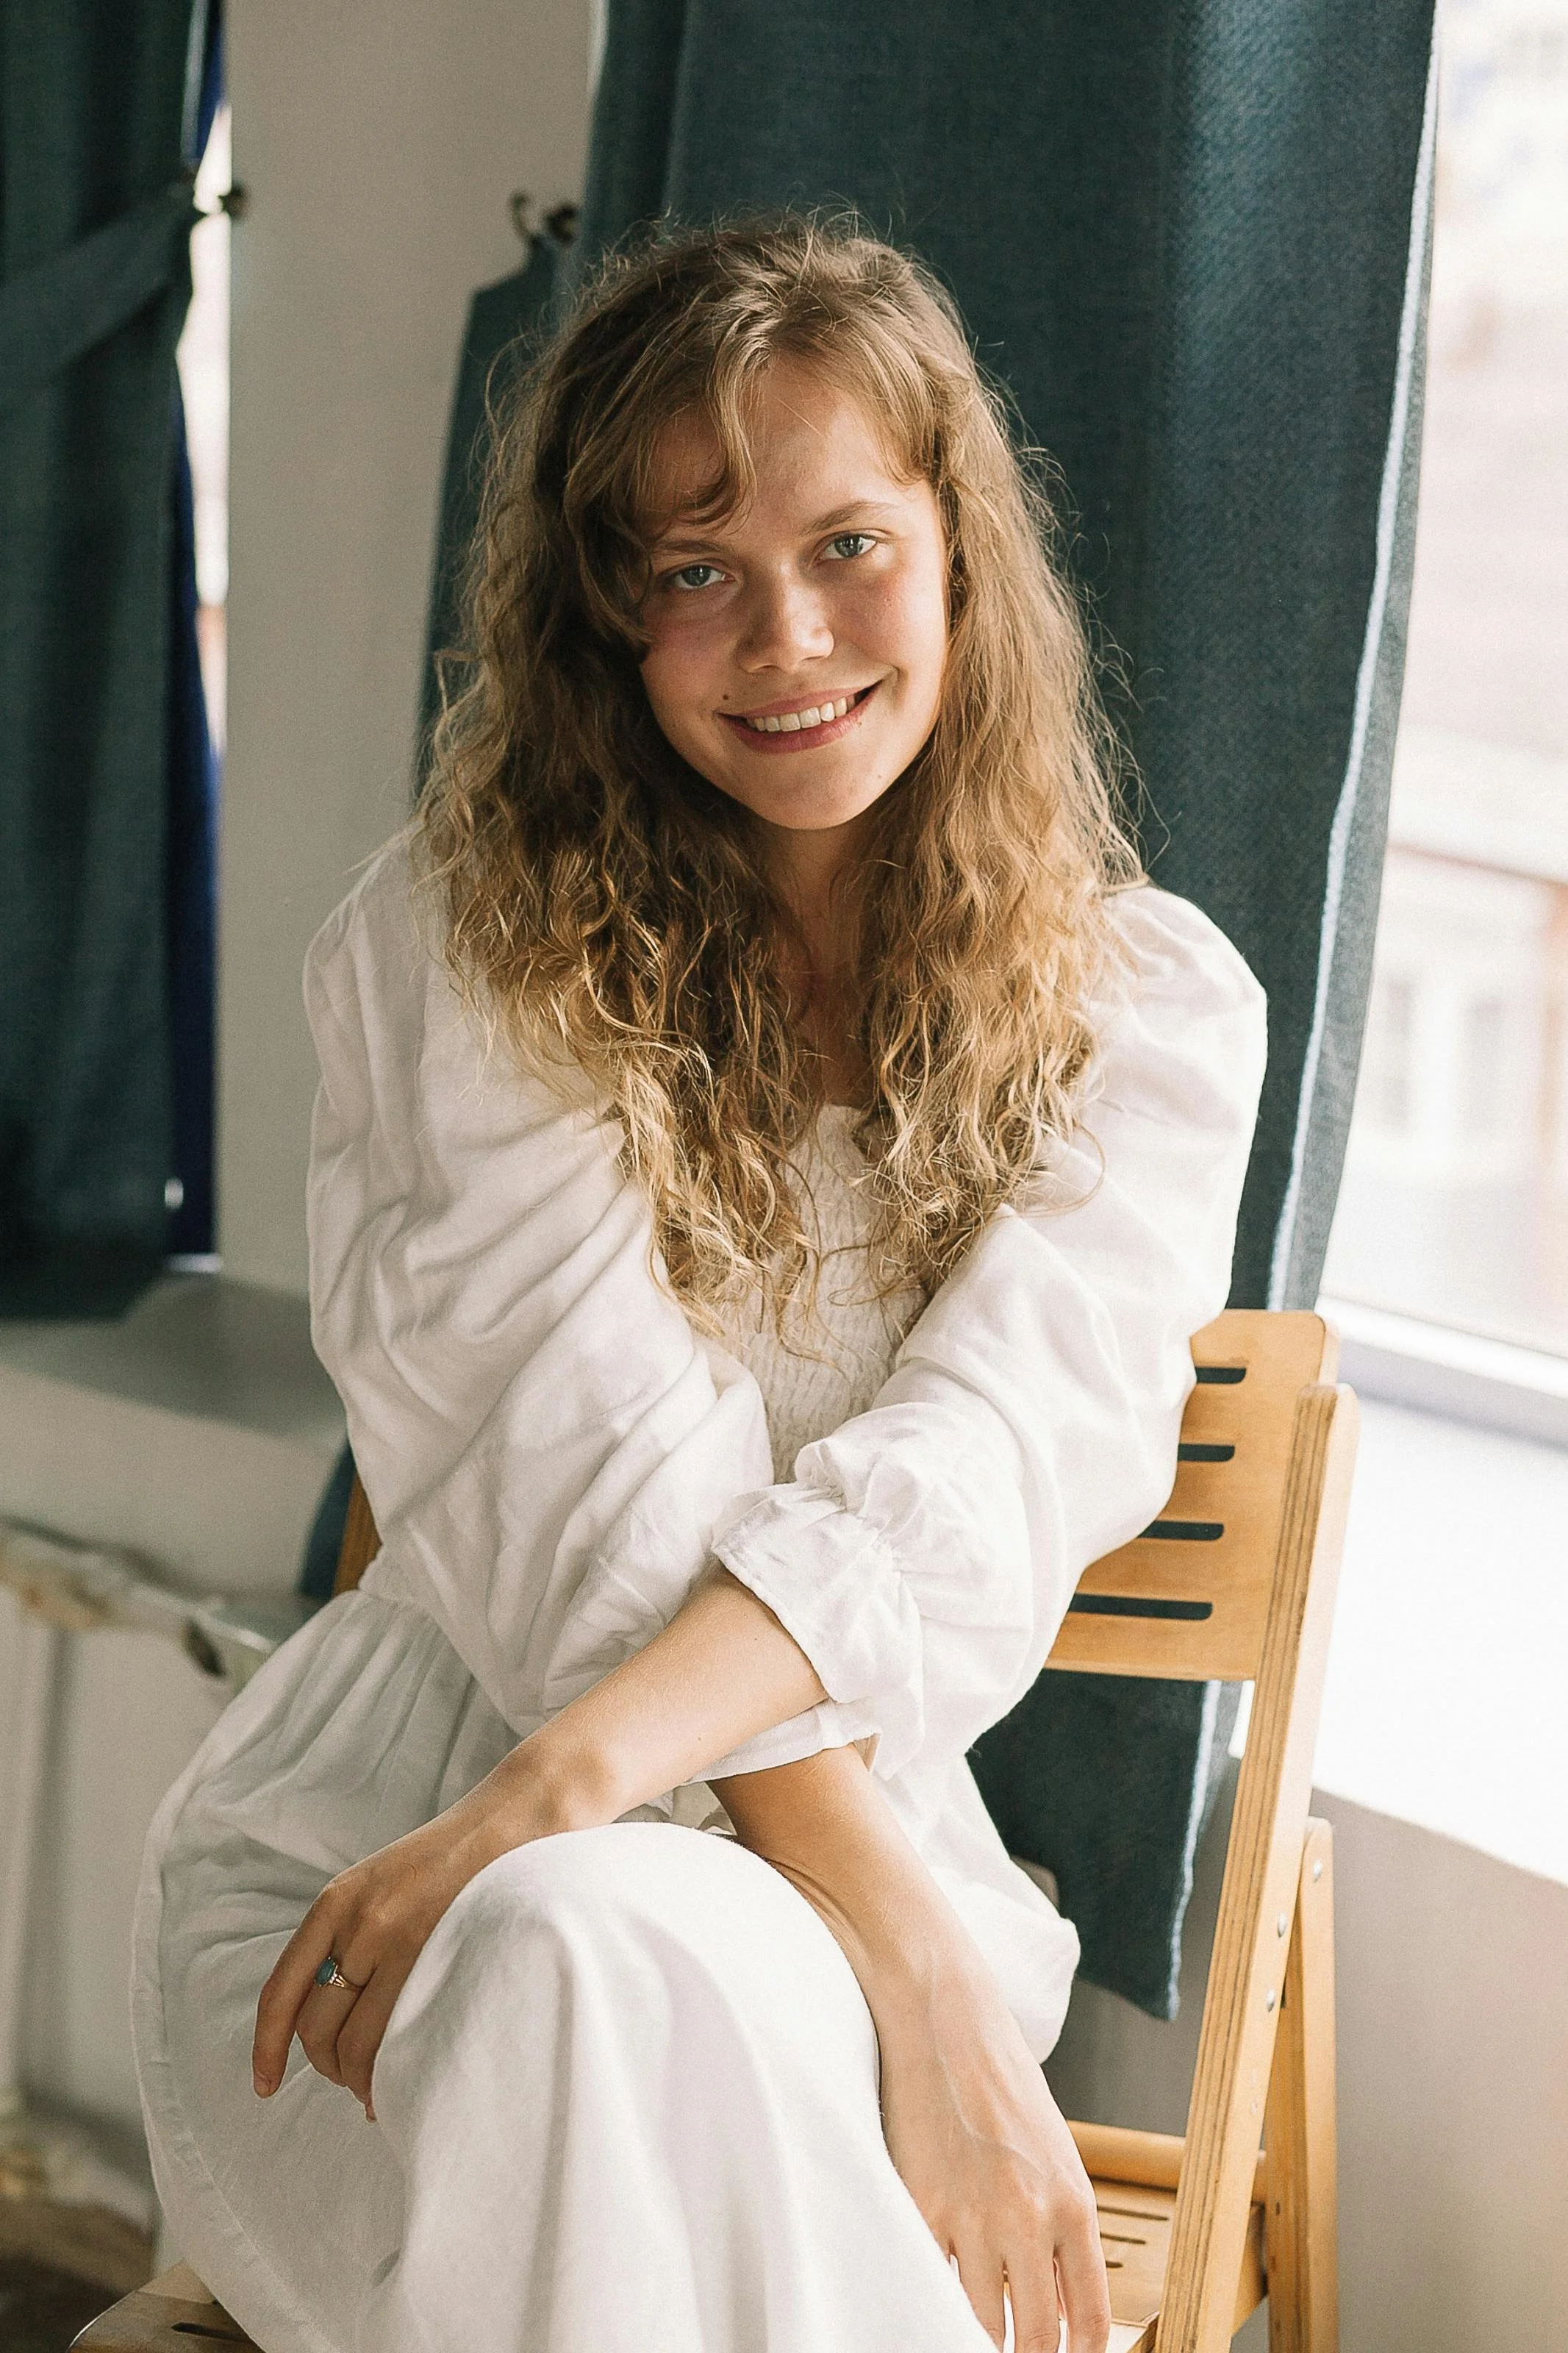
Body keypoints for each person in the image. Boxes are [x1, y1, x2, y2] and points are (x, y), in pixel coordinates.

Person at [132, 217, 1266, 2353]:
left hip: (744, 1899)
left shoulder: (1143, 1019)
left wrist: (577, 1790)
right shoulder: (467, 945)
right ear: (604, 620)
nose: (786, 637)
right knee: (567, 1953)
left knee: (590, 1948)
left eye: (848, 544)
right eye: (692, 571)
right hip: (383, 1865)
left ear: (956, 549)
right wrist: (902, 1959)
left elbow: (980, 1485)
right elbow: (578, 1497)